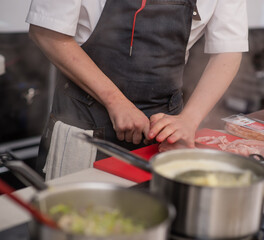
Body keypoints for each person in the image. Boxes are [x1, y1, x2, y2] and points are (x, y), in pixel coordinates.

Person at [26, 0, 249, 179]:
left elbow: (227, 51)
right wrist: (116, 101)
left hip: (165, 137)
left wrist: (189, 120)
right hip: (83, 123)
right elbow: (46, 32)